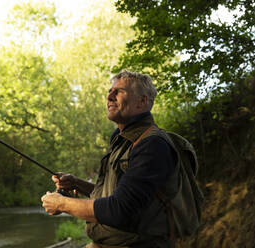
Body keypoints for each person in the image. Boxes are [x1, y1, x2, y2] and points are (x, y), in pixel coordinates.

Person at [41, 70, 177, 248]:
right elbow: (117, 196)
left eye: (119, 92)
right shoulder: (122, 139)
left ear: (142, 101)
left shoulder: (152, 145)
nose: (110, 96)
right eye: (110, 91)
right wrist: (77, 184)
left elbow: (120, 209)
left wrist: (62, 204)